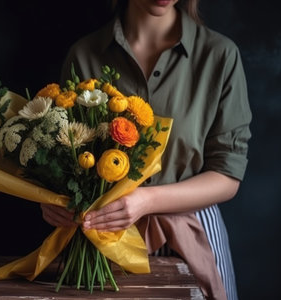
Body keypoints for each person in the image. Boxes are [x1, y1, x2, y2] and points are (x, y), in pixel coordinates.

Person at [41, 0, 252, 299]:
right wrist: (54, 202)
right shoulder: (84, 54)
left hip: (193, 231)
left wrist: (146, 199)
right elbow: (66, 158)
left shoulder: (220, 55)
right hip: (105, 238)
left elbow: (228, 175)